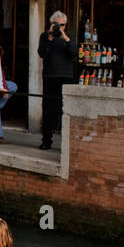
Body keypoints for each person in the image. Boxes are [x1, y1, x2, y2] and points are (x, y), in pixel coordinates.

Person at [37, 11, 75, 150]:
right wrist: (51, 37)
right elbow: (42, 53)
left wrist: (64, 36)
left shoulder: (69, 36)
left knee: (65, 110)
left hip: (66, 76)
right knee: (48, 110)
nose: (60, 28)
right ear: (51, 24)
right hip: (50, 76)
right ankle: (46, 140)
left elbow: (73, 52)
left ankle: (66, 143)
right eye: (57, 25)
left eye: (63, 25)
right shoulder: (45, 36)